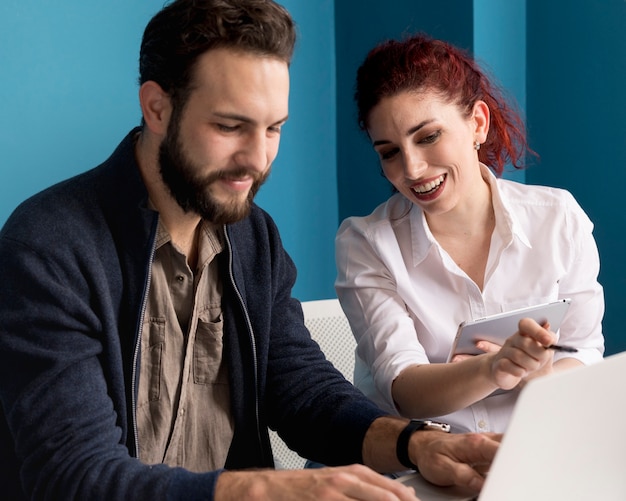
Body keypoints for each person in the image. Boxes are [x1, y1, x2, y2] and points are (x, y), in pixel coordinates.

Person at [0, 3, 502, 500]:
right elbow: (72, 476)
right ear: (157, 108)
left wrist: (417, 444)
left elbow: (305, 395)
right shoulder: (49, 246)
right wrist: (270, 488)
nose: (257, 159)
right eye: (229, 127)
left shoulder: (253, 236)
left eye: (273, 128)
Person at [335, 33, 605, 434]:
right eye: (389, 152)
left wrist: (540, 378)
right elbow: (403, 389)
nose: (410, 169)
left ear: (477, 123)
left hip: (528, 458)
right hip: (416, 470)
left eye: (428, 137)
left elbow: (584, 352)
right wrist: (494, 368)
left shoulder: (558, 219)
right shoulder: (367, 243)